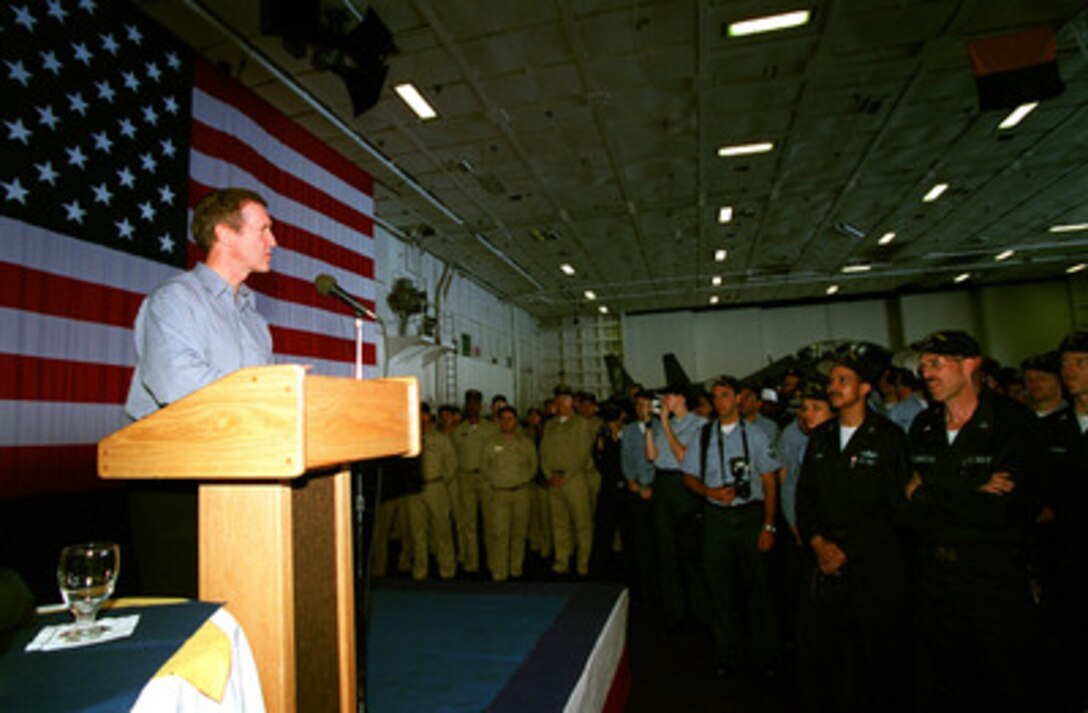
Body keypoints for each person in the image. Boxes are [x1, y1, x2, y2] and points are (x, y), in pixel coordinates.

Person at [904, 330, 1052, 712]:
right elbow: (907, 508)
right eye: (923, 367)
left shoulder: (1013, 423)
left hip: (993, 580)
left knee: (1008, 684)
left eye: (937, 364)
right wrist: (972, 490)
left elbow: (1003, 510)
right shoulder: (924, 425)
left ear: (970, 365)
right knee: (947, 686)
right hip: (934, 580)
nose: (927, 374)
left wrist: (930, 492)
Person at [795, 355, 912, 712]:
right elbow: (805, 498)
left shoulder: (889, 437)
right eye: (831, 381)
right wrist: (818, 543)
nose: (833, 387)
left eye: (842, 380)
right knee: (831, 657)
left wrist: (846, 550)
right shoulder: (821, 438)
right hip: (826, 566)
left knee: (877, 658)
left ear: (864, 389)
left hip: (872, 566)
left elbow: (893, 509)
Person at [125, 187, 276, 419]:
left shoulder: (255, 321)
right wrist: (267, 391)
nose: (272, 241)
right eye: (263, 230)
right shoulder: (175, 298)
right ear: (225, 234)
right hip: (175, 449)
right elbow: (174, 381)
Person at [681, 376, 780, 676]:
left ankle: (767, 653)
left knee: (759, 586)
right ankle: (727, 651)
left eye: (725, 395)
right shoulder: (704, 436)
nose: (719, 401)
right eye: (715, 397)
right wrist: (710, 492)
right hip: (716, 519)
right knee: (719, 587)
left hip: (749, 516)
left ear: (738, 398)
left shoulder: (757, 435)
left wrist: (769, 526)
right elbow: (689, 476)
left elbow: (769, 482)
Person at [1045, 332, 1088, 711]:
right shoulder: (1054, 429)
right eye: (1066, 363)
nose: (1069, 371)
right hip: (1068, 555)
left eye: (1080, 363)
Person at [646, 383, 707, 628]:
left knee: (691, 553)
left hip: (685, 486)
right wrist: (651, 427)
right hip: (663, 484)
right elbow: (652, 456)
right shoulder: (663, 422)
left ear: (681, 398)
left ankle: (699, 610)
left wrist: (666, 425)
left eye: (668, 396)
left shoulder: (699, 425)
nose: (665, 401)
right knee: (666, 551)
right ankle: (675, 611)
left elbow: (683, 456)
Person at [540, 385, 597, 577]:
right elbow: (543, 453)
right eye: (558, 400)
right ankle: (561, 560)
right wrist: (549, 475)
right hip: (554, 480)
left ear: (572, 402)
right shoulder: (550, 425)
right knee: (559, 523)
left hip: (574, 478)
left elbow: (582, 454)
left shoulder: (581, 424)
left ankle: (583, 563)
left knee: (582, 523)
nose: (561, 404)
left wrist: (565, 475)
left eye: (565, 400)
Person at [481, 406, 538, 582]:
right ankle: (499, 571)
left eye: (510, 418)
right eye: (503, 418)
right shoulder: (490, 442)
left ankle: (516, 569)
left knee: (519, 533)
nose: (507, 422)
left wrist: (522, 480)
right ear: (498, 421)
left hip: (521, 492)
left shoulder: (525, 442)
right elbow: (484, 467)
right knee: (499, 534)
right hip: (499, 494)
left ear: (516, 420)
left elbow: (533, 465)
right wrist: (497, 482)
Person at [451, 389, 498, 575]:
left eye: (475, 403)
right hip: (465, 478)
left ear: (480, 406)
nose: (472, 407)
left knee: (490, 522)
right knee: (468, 522)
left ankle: (493, 562)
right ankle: (472, 562)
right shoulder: (458, 430)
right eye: (469, 403)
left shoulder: (491, 429)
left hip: (485, 478)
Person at [408, 404, 457, 581]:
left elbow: (451, 463)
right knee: (418, 531)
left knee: (442, 529)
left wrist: (442, 481)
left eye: (423, 414)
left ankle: (447, 569)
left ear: (428, 416)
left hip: (435, 486)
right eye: (417, 413)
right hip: (414, 489)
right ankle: (420, 570)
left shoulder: (441, 439)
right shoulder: (409, 438)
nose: (420, 417)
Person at [621, 390, 658, 601]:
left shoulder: (661, 428)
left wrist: (652, 486)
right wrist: (632, 481)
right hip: (637, 491)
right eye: (638, 405)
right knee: (640, 543)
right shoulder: (629, 431)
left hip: (656, 491)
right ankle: (643, 589)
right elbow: (626, 460)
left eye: (645, 405)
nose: (641, 409)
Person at [590, 403, 628, 580]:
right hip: (608, 489)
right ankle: (599, 573)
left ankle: (627, 572)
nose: (615, 424)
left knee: (628, 535)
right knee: (603, 534)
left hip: (627, 490)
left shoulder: (629, 435)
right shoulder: (602, 437)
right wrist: (607, 441)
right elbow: (600, 462)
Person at [1021, 352, 1067, 418]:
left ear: (1059, 381)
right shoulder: (1021, 417)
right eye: (1029, 380)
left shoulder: (1074, 415)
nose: (1034, 384)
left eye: (1041, 378)